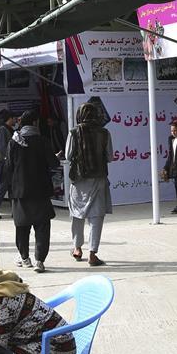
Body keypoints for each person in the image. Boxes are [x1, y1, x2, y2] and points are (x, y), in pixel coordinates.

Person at [5, 109, 59, 271]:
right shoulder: (42, 141)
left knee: (22, 227)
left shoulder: (13, 142)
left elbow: (9, 168)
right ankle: (40, 261)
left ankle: (24, 258)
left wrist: (11, 190)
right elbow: (54, 163)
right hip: (41, 191)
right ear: (35, 122)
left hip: (20, 192)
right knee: (42, 227)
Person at [66, 102, 113, 266]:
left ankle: (77, 248)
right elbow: (110, 157)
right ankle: (92, 254)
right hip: (99, 179)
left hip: (79, 181)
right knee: (96, 217)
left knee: (77, 215)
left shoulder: (74, 132)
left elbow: (67, 155)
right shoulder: (105, 133)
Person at [162, 121, 177, 213]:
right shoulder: (170, 139)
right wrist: (166, 167)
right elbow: (171, 155)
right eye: (172, 131)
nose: (173, 132)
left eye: (175, 130)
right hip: (173, 166)